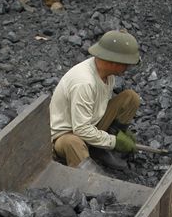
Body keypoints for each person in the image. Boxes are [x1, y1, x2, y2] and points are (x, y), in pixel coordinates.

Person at [50, 29, 141, 170]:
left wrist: (117, 135)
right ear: (114, 62)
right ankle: (92, 181)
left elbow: (96, 111)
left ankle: (99, 150)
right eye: (126, 63)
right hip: (67, 134)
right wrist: (114, 142)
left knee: (130, 98)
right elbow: (80, 129)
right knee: (73, 142)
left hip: (90, 124)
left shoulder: (107, 74)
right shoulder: (84, 83)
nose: (128, 68)